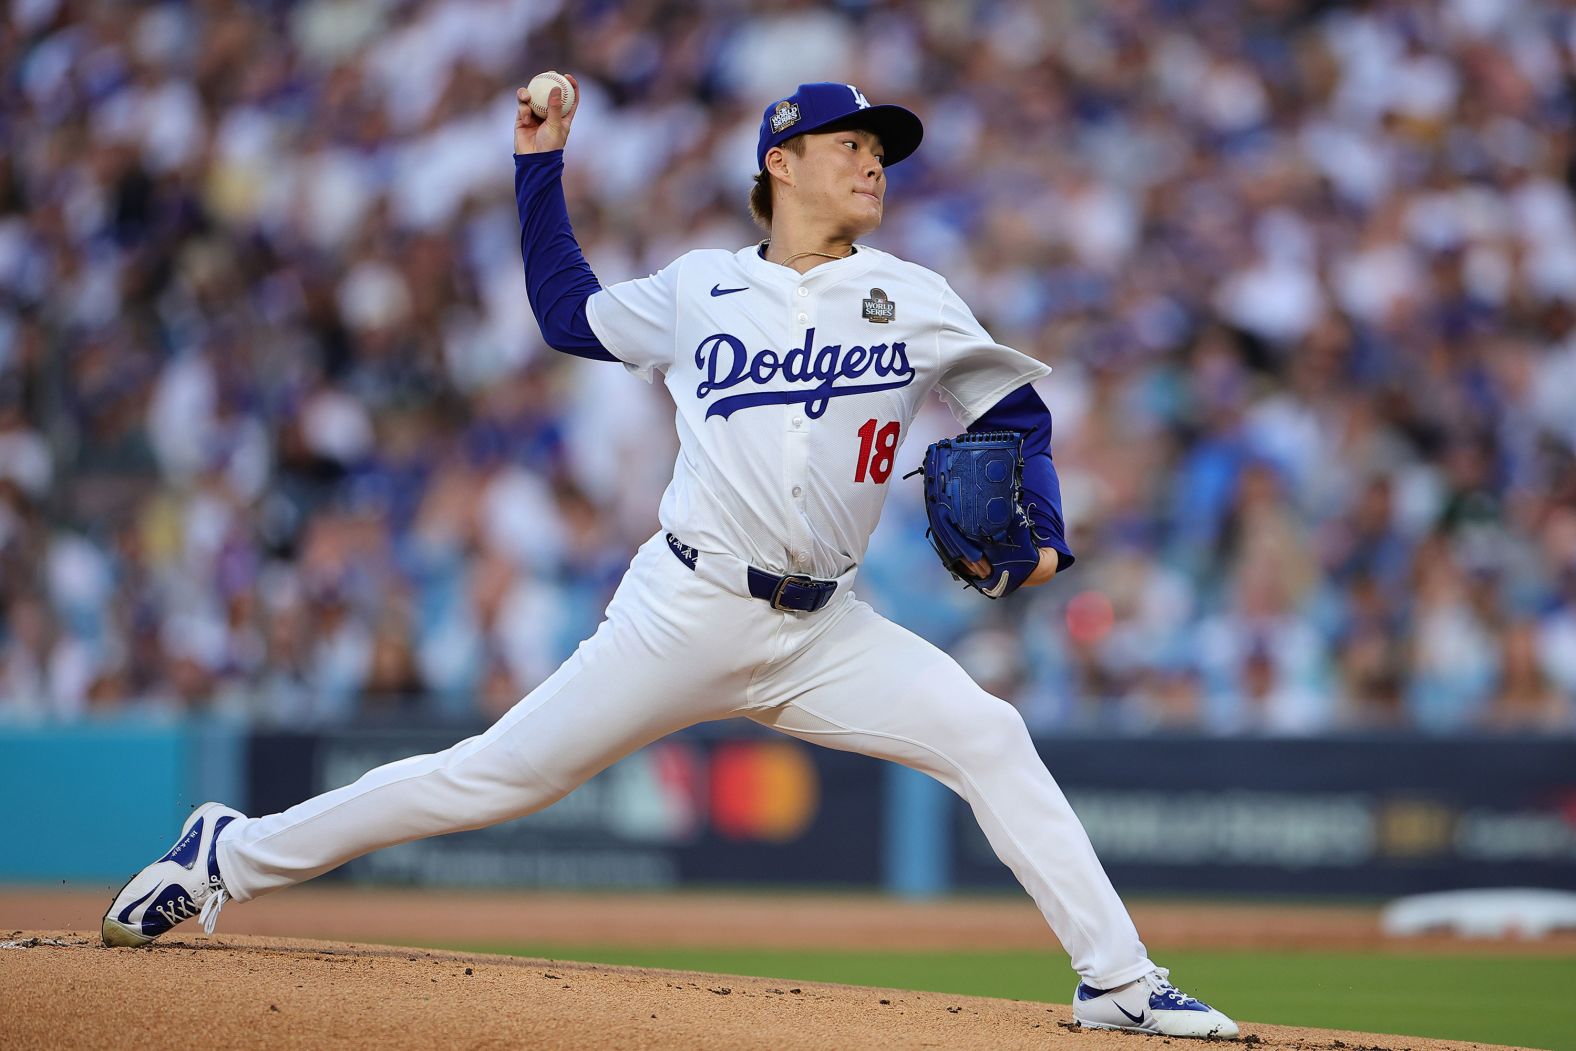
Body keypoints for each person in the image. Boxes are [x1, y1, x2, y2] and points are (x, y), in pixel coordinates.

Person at [103, 77, 1239, 1040]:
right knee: (497, 776)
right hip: (685, 604)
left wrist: (1040, 543)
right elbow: (564, 312)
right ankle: (227, 855)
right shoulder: (702, 285)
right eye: (852, 145)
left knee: (989, 732)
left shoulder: (916, 297)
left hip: (824, 630)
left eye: (879, 153)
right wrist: (536, 165)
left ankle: (1120, 983)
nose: (873, 164)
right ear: (781, 162)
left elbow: (1015, 417)